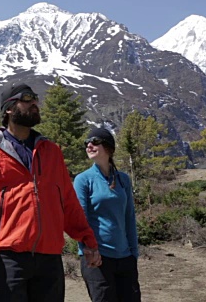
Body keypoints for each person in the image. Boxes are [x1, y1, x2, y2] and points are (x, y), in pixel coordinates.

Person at [0, 82, 102, 302]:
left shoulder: (51, 151)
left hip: (49, 258)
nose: (34, 104)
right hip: (6, 256)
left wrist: (88, 240)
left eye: (35, 100)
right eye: (27, 99)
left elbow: (68, 203)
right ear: (9, 109)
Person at [74, 127, 141, 302]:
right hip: (97, 258)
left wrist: (133, 253)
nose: (89, 145)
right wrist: (88, 250)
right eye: (86, 143)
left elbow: (129, 217)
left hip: (125, 257)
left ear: (108, 148)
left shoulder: (123, 179)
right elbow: (80, 218)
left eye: (94, 142)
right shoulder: (83, 180)